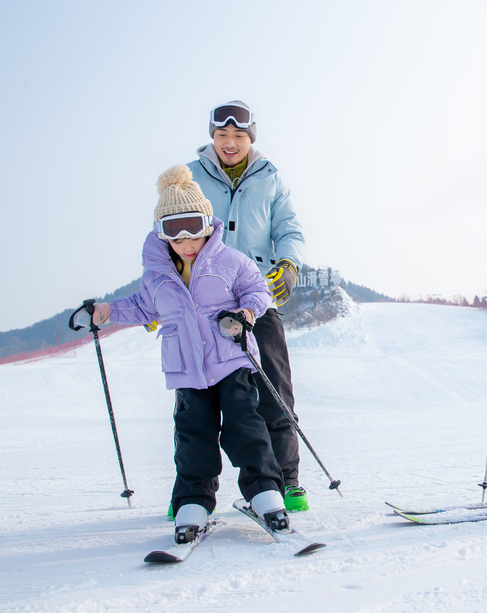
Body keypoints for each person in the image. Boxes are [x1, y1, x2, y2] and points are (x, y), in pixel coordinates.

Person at [92, 165, 290, 542]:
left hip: (231, 361)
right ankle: (193, 503)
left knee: (245, 426)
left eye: (194, 230)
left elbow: (258, 291)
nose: (186, 243)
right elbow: (143, 306)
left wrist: (247, 313)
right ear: (161, 233)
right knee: (192, 436)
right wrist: (108, 311)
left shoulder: (231, 261)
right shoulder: (157, 275)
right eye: (174, 233)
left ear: (207, 224)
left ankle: (265, 493)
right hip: (186, 369)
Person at [181, 100, 308, 514]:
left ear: (250, 137)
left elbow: (289, 229)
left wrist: (288, 264)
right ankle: (194, 493)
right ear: (212, 137)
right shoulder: (189, 178)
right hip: (203, 304)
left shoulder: (270, 178)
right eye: (222, 135)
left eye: (238, 135)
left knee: (273, 390)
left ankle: (286, 481)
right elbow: (170, 235)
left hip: (259, 297)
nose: (230, 143)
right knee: (199, 399)